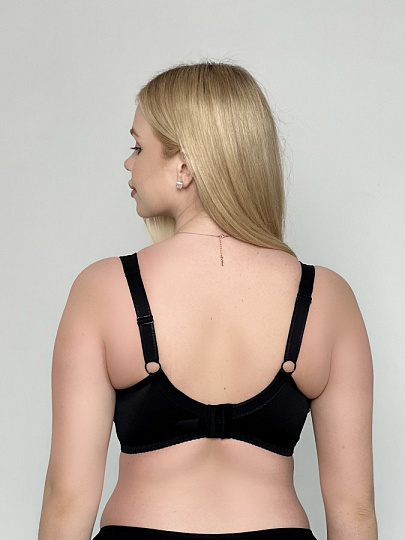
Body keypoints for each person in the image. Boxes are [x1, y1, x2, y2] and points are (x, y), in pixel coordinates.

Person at [38, 61, 377, 540]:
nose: (129, 164)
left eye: (138, 147)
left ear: (184, 166)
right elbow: (354, 511)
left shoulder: (104, 289)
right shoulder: (327, 298)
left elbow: (68, 499)